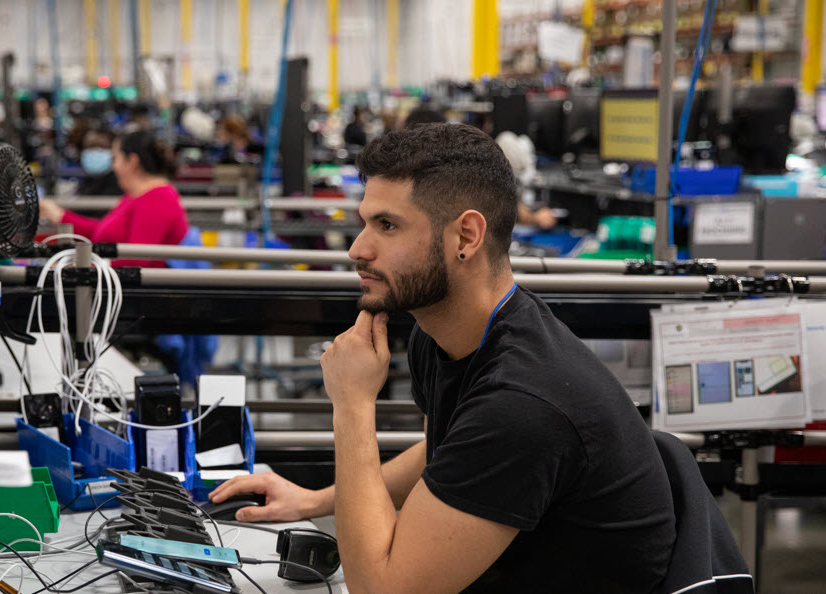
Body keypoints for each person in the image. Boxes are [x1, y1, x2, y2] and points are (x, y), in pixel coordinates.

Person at [209, 124, 676, 592]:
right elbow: (442, 458)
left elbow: (381, 589)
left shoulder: (525, 403)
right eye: (364, 222)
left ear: (466, 237)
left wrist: (352, 404)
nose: (357, 249)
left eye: (387, 225)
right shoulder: (446, 334)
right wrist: (314, 501)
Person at [39, 130, 188, 268]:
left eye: (115, 158)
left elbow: (138, 259)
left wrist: (84, 267)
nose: (113, 166)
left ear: (132, 161)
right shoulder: (137, 196)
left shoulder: (158, 199)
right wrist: (60, 216)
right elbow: (102, 230)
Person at [76, 127, 122, 196]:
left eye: (102, 147)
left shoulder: (121, 186)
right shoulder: (84, 184)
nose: (95, 152)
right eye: (90, 147)